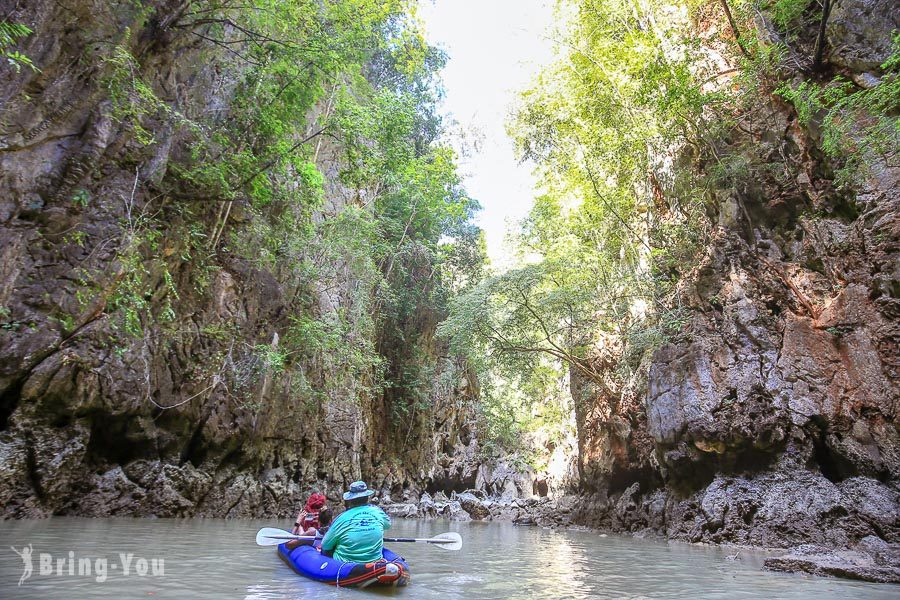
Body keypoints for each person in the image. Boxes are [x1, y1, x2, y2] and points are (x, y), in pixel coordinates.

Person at [320, 481, 391, 563]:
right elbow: (387, 525)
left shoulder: (341, 518)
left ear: (350, 500)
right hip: (374, 561)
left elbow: (325, 545)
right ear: (367, 497)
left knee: (328, 548)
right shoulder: (377, 512)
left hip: (346, 565)